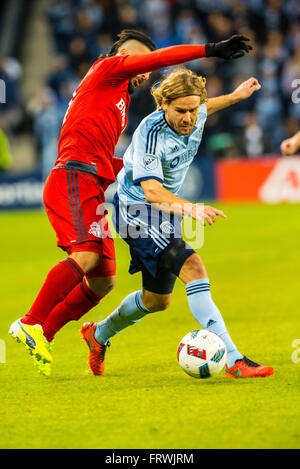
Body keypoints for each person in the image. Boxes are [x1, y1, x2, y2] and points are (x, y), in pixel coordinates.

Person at [9, 30, 252, 376]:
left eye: (145, 67)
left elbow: (110, 154)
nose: (142, 70)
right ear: (121, 52)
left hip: (93, 184)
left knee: (104, 279)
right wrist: (210, 49)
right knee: (88, 253)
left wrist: (132, 166)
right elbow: (158, 60)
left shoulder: (115, 98)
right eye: (137, 59)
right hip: (74, 177)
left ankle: (46, 334)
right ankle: (30, 322)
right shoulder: (107, 69)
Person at [81, 68, 274, 379]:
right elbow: (152, 192)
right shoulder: (150, 132)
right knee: (194, 267)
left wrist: (236, 97)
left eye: (192, 110)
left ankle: (98, 334)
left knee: (157, 300)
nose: (188, 118)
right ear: (163, 106)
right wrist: (192, 209)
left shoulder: (196, 112)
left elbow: (205, 107)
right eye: (180, 110)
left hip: (163, 212)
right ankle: (234, 360)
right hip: (136, 210)